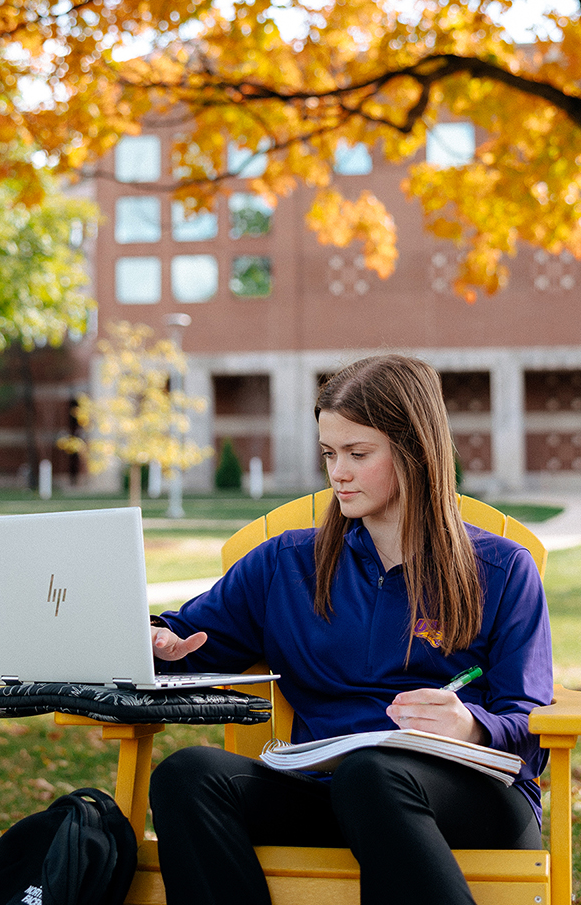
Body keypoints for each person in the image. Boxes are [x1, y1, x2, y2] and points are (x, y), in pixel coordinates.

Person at [146, 354, 553, 905]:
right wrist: (158, 642)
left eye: (358, 454)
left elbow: (529, 723)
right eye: (330, 454)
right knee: (189, 774)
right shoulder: (285, 566)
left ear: (414, 452)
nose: (338, 472)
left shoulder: (501, 569)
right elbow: (186, 641)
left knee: (372, 775)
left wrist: (471, 726)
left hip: (470, 800)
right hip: (327, 793)